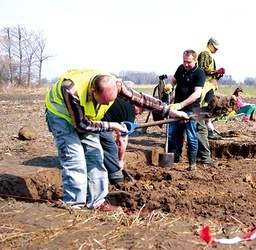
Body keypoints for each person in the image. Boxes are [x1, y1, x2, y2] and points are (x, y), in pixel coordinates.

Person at [45, 69, 188, 211]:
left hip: (88, 117)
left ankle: (97, 202)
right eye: (104, 101)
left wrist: (170, 111)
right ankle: (74, 205)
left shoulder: (116, 84)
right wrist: (112, 125)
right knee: (75, 158)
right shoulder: (71, 90)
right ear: (93, 91)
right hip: (61, 116)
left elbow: (142, 99)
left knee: (95, 156)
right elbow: (82, 125)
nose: (107, 106)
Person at [164, 49, 206, 171]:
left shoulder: (200, 73)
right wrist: (170, 85)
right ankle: (173, 159)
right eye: (184, 61)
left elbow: (197, 94)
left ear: (195, 60)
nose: (186, 64)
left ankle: (192, 164)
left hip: (194, 109)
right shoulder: (181, 68)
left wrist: (181, 105)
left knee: (192, 136)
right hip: (177, 106)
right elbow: (173, 80)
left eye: (189, 62)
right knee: (171, 134)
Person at [100, 97, 143, 185]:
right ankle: (117, 179)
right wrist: (120, 160)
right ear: (137, 105)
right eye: (142, 110)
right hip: (99, 124)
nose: (141, 113)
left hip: (98, 120)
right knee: (111, 149)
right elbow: (122, 140)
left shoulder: (122, 103)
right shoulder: (130, 113)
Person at [196, 37, 225, 141]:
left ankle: (207, 130)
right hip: (205, 85)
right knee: (205, 107)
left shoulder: (207, 53)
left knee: (205, 107)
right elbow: (203, 69)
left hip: (207, 85)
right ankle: (207, 131)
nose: (216, 50)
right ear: (210, 44)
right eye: (215, 47)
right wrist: (216, 72)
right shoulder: (205, 53)